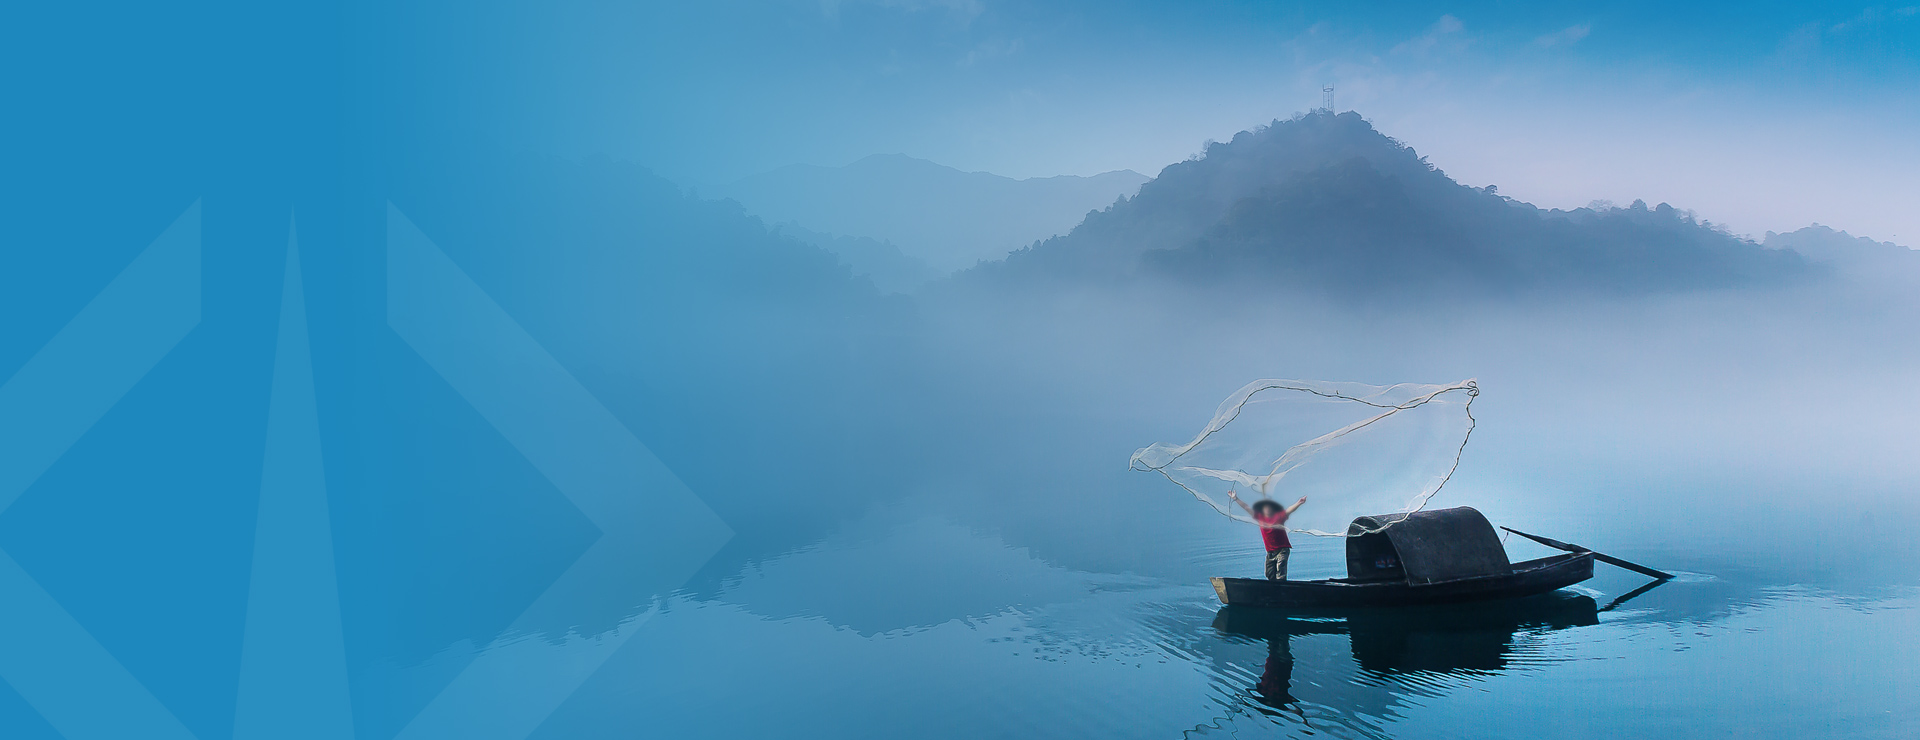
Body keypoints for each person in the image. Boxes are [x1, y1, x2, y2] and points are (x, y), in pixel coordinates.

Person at [1228, 490, 1307, 580]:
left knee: (1280, 573)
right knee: (1269, 574)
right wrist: (1235, 498)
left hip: (1282, 550)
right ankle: (1273, 589)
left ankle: (1281, 589)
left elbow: (1289, 510)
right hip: (1270, 552)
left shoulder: (1279, 517)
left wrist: (1299, 503)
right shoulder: (1260, 518)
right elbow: (1246, 507)